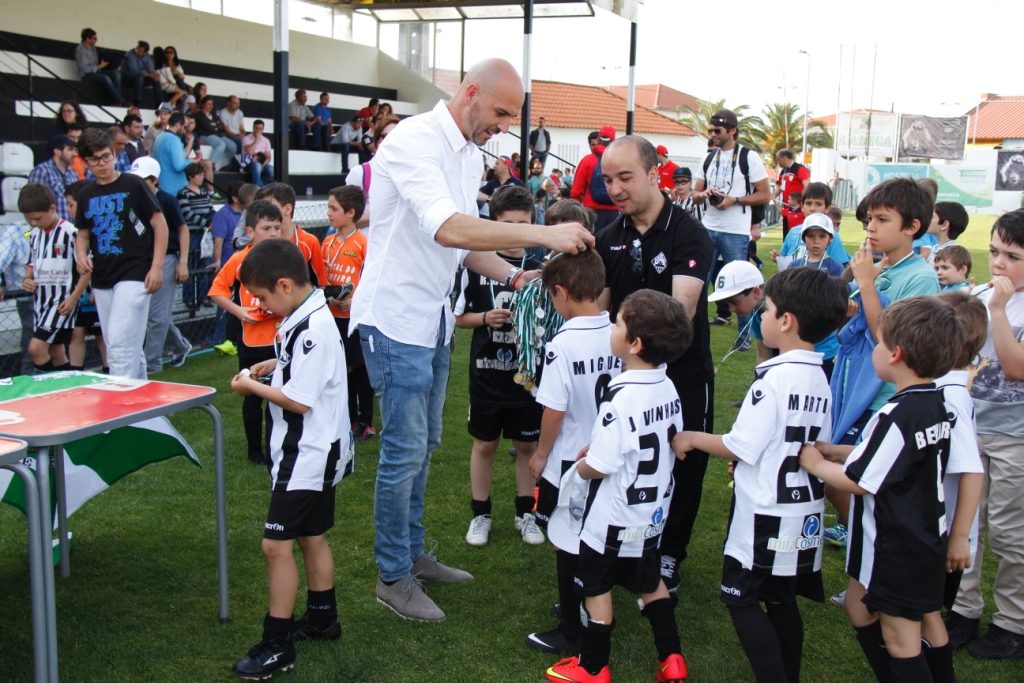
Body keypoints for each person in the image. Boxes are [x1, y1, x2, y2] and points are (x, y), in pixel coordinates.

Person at [349, 57, 593, 622]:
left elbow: (459, 247)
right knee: (403, 451)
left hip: (431, 319)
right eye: (502, 112)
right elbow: (448, 226)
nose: (505, 126)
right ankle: (393, 576)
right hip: (395, 321)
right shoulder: (414, 140)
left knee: (427, 444)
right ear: (471, 92)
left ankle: (411, 554)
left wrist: (514, 274)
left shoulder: (463, 151)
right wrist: (542, 231)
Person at [674, 266, 848, 683]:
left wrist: (692, 438)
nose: (762, 318)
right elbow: (803, 447)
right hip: (802, 509)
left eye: (766, 310)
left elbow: (739, 445)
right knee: (781, 600)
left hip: (764, 512)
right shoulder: (820, 377)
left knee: (739, 597)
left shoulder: (770, 380)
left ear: (785, 320)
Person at [799, 297, 965, 683]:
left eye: (878, 342)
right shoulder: (933, 403)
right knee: (859, 607)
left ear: (895, 355)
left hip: (896, 548)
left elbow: (860, 481)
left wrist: (817, 463)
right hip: (924, 539)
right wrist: (839, 451)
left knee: (902, 641)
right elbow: (894, 458)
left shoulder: (896, 414)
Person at [543, 289, 690, 683]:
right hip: (652, 512)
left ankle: (592, 667)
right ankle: (672, 657)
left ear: (634, 343)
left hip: (612, 518)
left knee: (596, 587)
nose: (612, 327)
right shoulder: (667, 387)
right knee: (650, 581)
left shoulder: (621, 396)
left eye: (618, 323)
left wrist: (581, 468)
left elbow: (604, 464)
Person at [592, 135, 714, 592]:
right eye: (607, 180)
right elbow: (599, 312)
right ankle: (627, 542)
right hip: (628, 380)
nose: (615, 189)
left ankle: (668, 553)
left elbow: (680, 315)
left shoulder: (688, 232)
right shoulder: (608, 238)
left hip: (682, 374)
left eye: (625, 177)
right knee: (629, 459)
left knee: (684, 459)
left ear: (653, 173)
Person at [229, 238, 350, 681]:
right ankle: (322, 619)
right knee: (311, 535)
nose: (261, 305)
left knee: (275, 545)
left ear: (283, 284)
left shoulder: (313, 328)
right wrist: (271, 367)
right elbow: (300, 373)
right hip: (317, 451)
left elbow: (299, 401)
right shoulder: (304, 316)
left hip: (308, 455)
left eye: (262, 297)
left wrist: (251, 387)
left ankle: (277, 645)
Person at [824, 178, 940, 559]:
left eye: (882, 219)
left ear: (912, 227)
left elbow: (891, 341)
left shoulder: (919, 276)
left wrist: (866, 286)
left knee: (848, 478)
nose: (870, 227)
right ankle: (865, 545)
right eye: (869, 219)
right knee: (844, 477)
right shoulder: (881, 264)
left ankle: (875, 550)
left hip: (885, 396)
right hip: (854, 386)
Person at [523, 249, 617, 657]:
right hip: (607, 454)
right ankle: (587, 606)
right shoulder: (619, 332)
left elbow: (554, 409)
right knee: (595, 536)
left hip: (570, 463)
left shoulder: (561, 344)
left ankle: (570, 630)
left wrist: (541, 454)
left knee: (566, 539)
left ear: (560, 292)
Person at [946, 209, 1024, 660]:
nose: (998, 264)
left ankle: (1013, 622)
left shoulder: (996, 302)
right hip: (972, 427)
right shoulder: (978, 293)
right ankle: (963, 608)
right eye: (994, 251)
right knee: (966, 522)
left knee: (1011, 532)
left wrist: (995, 309)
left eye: (1012, 256)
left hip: (1015, 437)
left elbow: (1014, 368)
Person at [454, 185, 545, 548]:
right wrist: (484, 318)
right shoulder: (477, 263)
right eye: (508, 224)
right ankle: (481, 514)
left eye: (523, 224)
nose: (515, 232)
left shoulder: (541, 266)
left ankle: (527, 513)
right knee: (485, 446)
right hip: (487, 375)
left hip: (528, 381)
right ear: (494, 223)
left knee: (527, 448)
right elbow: (459, 318)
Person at [73, 128, 168, 379]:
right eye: (93, 159)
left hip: (136, 272)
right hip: (103, 276)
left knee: (118, 344)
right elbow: (82, 235)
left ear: (114, 154)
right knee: (128, 346)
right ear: (85, 161)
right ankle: (143, 407)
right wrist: (81, 255)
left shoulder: (134, 183)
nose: (101, 164)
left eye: (105, 156)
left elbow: (160, 225)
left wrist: (156, 267)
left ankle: (121, 404)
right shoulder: (85, 194)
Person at [933, 290, 987, 667]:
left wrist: (959, 536)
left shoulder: (950, 396)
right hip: (935, 529)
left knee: (925, 617)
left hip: (941, 534)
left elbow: (971, 469)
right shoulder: (944, 388)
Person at [210, 200, 284, 463]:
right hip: (252, 343)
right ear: (250, 232)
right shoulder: (240, 259)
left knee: (280, 398)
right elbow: (217, 290)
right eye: (266, 228)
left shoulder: (287, 256)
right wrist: (239, 311)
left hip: (281, 342)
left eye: (277, 227)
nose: (273, 233)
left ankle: (278, 447)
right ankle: (255, 450)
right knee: (252, 397)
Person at [692, 109, 771, 350]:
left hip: (736, 230)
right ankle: (694, 331)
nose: (713, 134)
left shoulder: (749, 157)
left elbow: (765, 194)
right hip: (708, 227)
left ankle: (744, 337)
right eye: (711, 130)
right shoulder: (707, 158)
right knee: (698, 280)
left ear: (732, 130)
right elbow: (694, 195)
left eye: (718, 130)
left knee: (740, 283)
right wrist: (703, 195)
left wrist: (734, 200)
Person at [18, 183, 89, 373]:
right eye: (28, 219)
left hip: (61, 303)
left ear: (52, 208)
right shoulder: (34, 235)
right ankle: (69, 387)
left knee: (36, 348)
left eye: (37, 218)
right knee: (55, 351)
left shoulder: (71, 233)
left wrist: (74, 298)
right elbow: (31, 264)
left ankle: (50, 387)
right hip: (41, 303)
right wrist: (27, 279)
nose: (33, 223)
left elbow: (87, 269)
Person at [321, 186, 374, 441]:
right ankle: (350, 418)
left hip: (354, 319)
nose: (329, 213)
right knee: (343, 370)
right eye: (329, 207)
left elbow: (372, 280)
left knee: (360, 368)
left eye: (334, 209)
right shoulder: (327, 241)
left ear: (351, 212)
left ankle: (367, 421)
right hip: (331, 317)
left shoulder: (363, 243)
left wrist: (354, 301)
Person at [131, 157, 192, 373]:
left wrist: (182, 262)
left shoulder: (166, 200)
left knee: (157, 315)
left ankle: (152, 364)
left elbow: (183, 229)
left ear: (154, 180)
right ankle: (180, 346)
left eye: (142, 180)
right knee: (154, 314)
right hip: (144, 259)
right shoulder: (133, 201)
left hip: (166, 258)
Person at [63, 180, 105, 372]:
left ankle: (110, 373)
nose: (68, 209)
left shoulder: (94, 229)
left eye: (71, 205)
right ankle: (75, 376)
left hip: (94, 291)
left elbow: (92, 263)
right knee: (75, 334)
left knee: (101, 335)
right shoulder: (72, 232)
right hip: (77, 292)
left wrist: (95, 289)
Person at [253, 183, 327, 288]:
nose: (264, 211)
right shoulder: (259, 239)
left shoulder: (309, 242)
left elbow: (321, 284)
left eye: (269, 206)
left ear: (287, 209)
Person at [178, 163, 216, 316]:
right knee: (190, 267)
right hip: (192, 234)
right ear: (191, 176)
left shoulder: (203, 191)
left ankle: (203, 296)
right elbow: (187, 213)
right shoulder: (183, 193)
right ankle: (189, 298)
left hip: (204, 234)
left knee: (204, 266)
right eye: (199, 175)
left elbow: (209, 208)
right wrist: (206, 223)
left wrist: (214, 220)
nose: (202, 178)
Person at [571, 126, 620, 232]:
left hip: (592, 211)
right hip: (615, 210)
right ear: (613, 141)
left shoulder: (588, 160)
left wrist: (576, 213)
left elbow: (576, 190)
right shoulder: (620, 161)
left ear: (598, 140)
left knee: (593, 244)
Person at [28, 135, 79, 222]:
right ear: (57, 152)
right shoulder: (41, 171)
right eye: (70, 149)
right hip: (51, 229)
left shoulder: (73, 173)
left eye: (75, 150)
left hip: (73, 228)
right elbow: (33, 204)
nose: (75, 154)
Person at [75, 28, 124, 105]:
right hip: (86, 75)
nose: (96, 40)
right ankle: (121, 101)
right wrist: (99, 66)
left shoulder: (93, 48)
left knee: (116, 74)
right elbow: (84, 68)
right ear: (87, 39)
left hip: (97, 71)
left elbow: (96, 63)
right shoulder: (80, 50)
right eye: (94, 38)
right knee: (105, 78)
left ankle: (115, 101)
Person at [152, 111, 192, 198]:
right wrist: (192, 161)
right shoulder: (173, 139)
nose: (185, 131)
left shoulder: (159, 137)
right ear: (178, 125)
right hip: (175, 190)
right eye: (184, 127)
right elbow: (179, 166)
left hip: (162, 188)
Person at [773, 149, 809, 236]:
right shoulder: (783, 171)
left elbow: (807, 185)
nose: (778, 162)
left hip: (797, 208)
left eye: (778, 159)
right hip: (787, 208)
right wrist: (771, 196)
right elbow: (780, 188)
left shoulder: (799, 168)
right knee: (787, 234)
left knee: (798, 233)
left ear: (784, 158)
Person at [195, 96, 232, 170]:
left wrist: (214, 125)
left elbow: (221, 126)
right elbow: (207, 126)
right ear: (203, 105)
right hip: (205, 135)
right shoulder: (200, 114)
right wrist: (215, 125)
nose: (211, 106)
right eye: (208, 104)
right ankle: (211, 164)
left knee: (233, 146)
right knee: (221, 144)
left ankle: (229, 165)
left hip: (217, 135)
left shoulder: (214, 114)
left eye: (212, 104)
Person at [120, 41, 161, 108]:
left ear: (145, 53)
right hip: (126, 78)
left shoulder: (147, 56)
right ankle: (137, 102)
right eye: (136, 49)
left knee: (156, 79)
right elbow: (134, 71)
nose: (136, 51)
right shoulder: (130, 54)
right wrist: (148, 74)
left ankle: (159, 103)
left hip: (139, 78)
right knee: (140, 77)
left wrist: (154, 74)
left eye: (139, 51)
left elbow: (150, 69)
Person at [241, 119, 274, 187]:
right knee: (257, 165)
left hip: (261, 162)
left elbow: (268, 157)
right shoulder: (246, 138)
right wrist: (257, 139)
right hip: (248, 163)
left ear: (263, 130)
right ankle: (258, 189)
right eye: (256, 128)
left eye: (260, 129)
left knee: (271, 169)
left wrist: (263, 164)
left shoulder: (266, 140)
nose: (258, 131)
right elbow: (249, 151)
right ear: (253, 128)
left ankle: (266, 187)